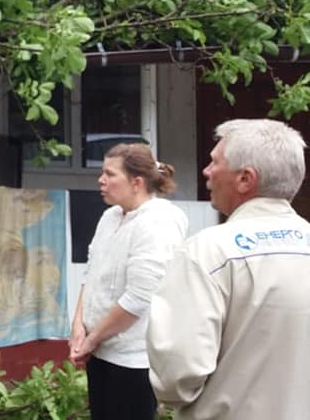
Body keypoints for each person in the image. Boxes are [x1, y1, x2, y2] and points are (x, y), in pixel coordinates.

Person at [147, 118, 310, 419]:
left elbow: (178, 373)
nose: (206, 172)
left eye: (214, 162)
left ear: (246, 179)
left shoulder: (208, 252)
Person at [69, 142, 188, 420]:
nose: (101, 180)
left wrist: (91, 339)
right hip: (99, 351)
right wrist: (78, 326)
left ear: (136, 182)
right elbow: (92, 273)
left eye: (110, 174)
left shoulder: (160, 221)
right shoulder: (110, 216)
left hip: (133, 359)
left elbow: (139, 297)